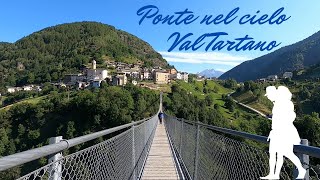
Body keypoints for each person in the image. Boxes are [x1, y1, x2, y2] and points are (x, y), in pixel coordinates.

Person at [261, 86, 306, 180]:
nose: (268, 97)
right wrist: (272, 131)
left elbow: (289, 117)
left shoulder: (285, 103)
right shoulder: (277, 104)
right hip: (276, 131)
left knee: (284, 153)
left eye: (269, 95)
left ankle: (301, 170)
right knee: (273, 153)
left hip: (283, 131)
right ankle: (272, 174)